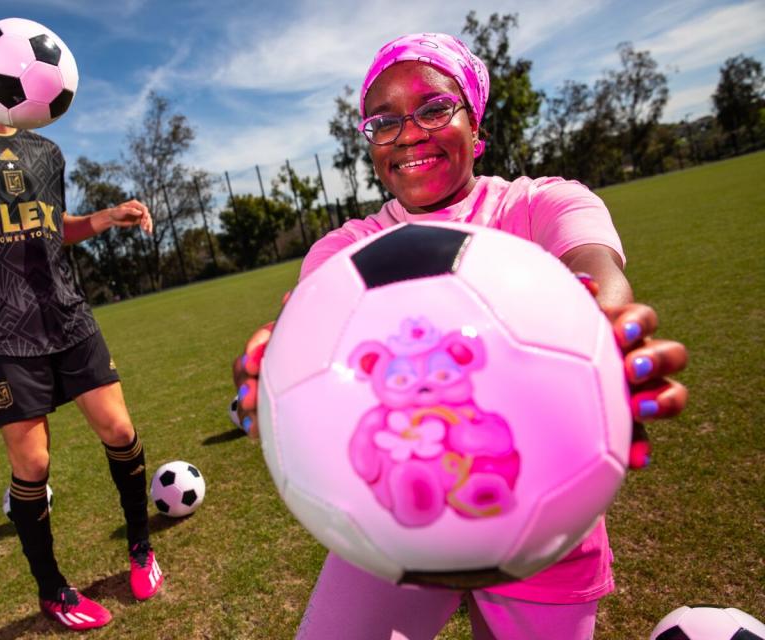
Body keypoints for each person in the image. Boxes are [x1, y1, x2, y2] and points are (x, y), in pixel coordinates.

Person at [232, 33, 688, 639]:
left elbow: (598, 273)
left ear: (477, 126)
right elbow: (297, 341)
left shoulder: (541, 204)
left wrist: (610, 334)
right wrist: (266, 368)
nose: (409, 133)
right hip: (389, 524)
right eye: (384, 121)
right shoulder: (343, 251)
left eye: (434, 108)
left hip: (547, 520)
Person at [0, 18, 163, 631]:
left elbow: (50, 225)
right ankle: (53, 589)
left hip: (66, 311)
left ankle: (141, 547)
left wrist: (106, 216)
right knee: (33, 467)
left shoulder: (46, 148)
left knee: (120, 429)